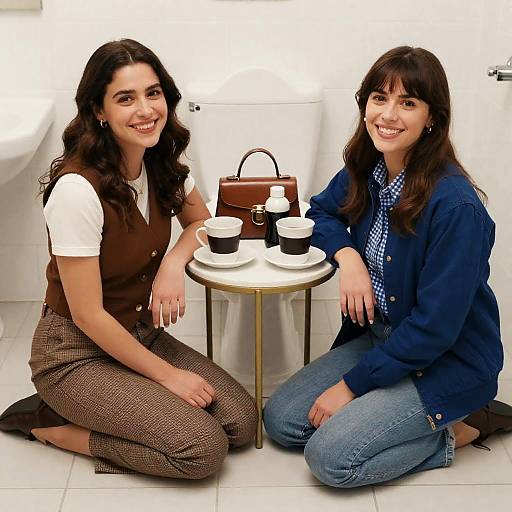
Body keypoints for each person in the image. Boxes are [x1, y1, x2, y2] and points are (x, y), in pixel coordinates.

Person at [0, 39, 257, 478]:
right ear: (99, 111)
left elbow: (201, 223)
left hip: (137, 334)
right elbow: (88, 315)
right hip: (74, 354)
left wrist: (173, 265)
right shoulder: (77, 191)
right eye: (125, 98)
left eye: (153, 93)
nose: (145, 110)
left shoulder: (161, 162)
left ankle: (128, 402)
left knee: (241, 421)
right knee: (203, 450)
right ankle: (52, 426)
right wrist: (169, 378)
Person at [263, 46, 512, 487]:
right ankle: (392, 410)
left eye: (408, 103)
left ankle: (463, 426)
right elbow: (320, 212)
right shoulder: (369, 169)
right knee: (281, 421)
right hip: (383, 339)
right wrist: (349, 257)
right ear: (365, 106)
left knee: (331, 460)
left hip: (445, 359)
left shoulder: (455, 208)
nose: (388, 114)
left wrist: (351, 387)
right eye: (379, 98)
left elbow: (435, 329)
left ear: (431, 118)